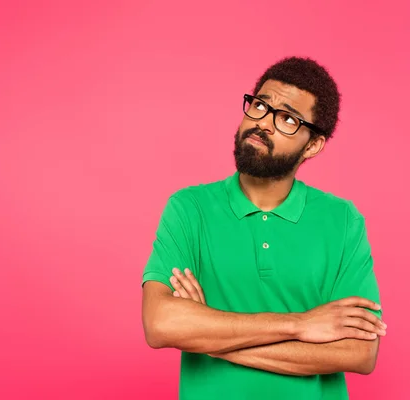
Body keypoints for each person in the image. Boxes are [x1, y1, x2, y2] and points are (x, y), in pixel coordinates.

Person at [141, 56, 385, 400]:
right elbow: (161, 325)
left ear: (312, 145)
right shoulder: (189, 208)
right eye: (260, 106)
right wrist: (300, 324)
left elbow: (359, 353)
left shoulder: (342, 220)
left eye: (287, 118)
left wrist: (211, 339)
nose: (264, 124)